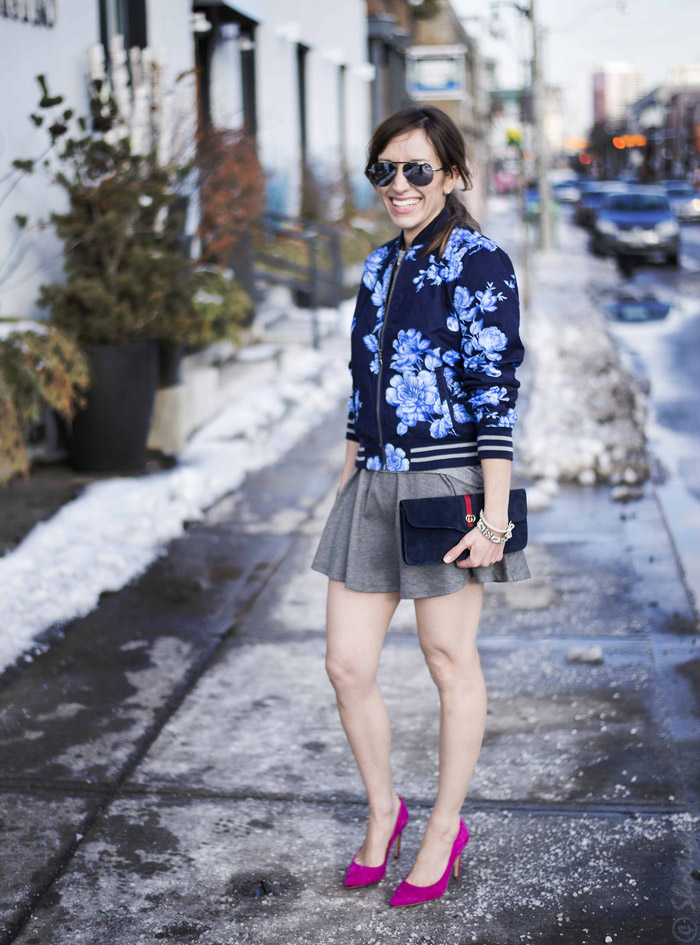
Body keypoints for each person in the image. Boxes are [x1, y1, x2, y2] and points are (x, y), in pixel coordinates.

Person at [311, 105, 530, 907]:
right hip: (370, 483)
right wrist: (345, 486)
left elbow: (496, 400)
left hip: (447, 488)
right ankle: (384, 809)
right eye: (385, 170)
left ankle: (443, 826)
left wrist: (495, 520)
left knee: (447, 661)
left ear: (452, 175)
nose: (398, 185)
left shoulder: (481, 263)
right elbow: (359, 390)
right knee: (346, 664)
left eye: (416, 170)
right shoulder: (376, 266)